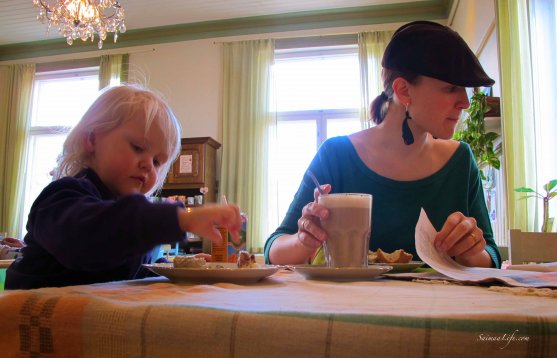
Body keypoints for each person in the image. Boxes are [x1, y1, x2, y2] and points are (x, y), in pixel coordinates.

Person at [265, 21, 501, 268]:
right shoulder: (336, 156)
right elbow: (274, 248)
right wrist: (304, 240)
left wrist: (471, 251)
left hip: (439, 307)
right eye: (451, 88)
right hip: (350, 306)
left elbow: (492, 255)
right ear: (404, 91)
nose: (465, 102)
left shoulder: (460, 161)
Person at [6, 85, 241, 289]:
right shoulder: (63, 195)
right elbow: (94, 240)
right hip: (29, 323)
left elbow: (122, 270)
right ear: (92, 140)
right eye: (138, 147)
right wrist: (181, 218)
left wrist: (174, 269)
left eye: (158, 161)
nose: (148, 165)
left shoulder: (125, 217)